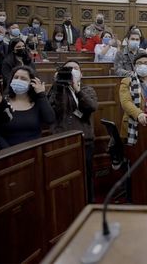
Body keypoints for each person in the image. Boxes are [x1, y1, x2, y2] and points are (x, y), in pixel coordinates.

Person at [47, 60, 98, 202]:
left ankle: (89, 203)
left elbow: (90, 107)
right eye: (68, 69)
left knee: (86, 176)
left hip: (84, 140)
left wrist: (76, 89)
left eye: (75, 68)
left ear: (81, 74)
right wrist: (57, 86)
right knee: (63, 178)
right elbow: (52, 111)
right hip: (61, 140)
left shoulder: (87, 90)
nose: (72, 71)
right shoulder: (56, 89)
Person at [0, 66, 55, 148]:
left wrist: (41, 95)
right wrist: (9, 151)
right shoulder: (1, 102)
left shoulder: (37, 102)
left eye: (23, 78)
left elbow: (50, 119)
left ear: (32, 82)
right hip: (9, 153)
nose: (18, 80)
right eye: (16, 77)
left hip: (34, 151)